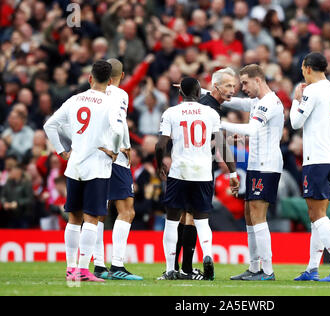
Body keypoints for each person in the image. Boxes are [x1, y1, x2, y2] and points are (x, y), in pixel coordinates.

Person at [43, 60, 124, 282]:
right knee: (92, 217)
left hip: (74, 164)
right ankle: (83, 269)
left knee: (73, 217)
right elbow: (118, 131)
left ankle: (71, 268)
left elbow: (49, 125)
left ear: (90, 78)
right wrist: (115, 151)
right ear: (110, 81)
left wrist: (61, 151)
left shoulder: (74, 99)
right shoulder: (110, 102)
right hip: (97, 166)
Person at [155, 77, 239, 280]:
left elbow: (160, 145)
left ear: (180, 94)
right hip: (202, 172)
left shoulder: (171, 112)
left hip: (179, 171)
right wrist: (233, 173)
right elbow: (221, 145)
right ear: (200, 92)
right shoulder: (210, 113)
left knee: (173, 221)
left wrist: (160, 165)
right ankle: (208, 255)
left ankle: (170, 270)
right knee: (201, 220)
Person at [289, 52, 330, 282]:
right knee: (318, 214)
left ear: (306, 68)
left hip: (316, 158)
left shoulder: (312, 91)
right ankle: (312, 268)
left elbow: (295, 122)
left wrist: (297, 98)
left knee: (317, 216)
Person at [220, 64, 284, 281]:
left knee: (257, 215)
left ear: (258, 80)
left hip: (267, 165)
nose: (242, 87)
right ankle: (254, 267)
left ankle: (267, 270)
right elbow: (236, 101)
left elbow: (251, 130)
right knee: (249, 213)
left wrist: (220, 123)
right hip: (257, 165)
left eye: (245, 83)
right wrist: (204, 92)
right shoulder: (257, 101)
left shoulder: (269, 103)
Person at [92, 58, 142, 281]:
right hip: (116, 157)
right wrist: (125, 146)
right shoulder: (120, 94)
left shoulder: (90, 93)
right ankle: (118, 266)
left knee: (98, 211)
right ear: (121, 77)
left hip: (94, 156)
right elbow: (119, 121)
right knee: (127, 210)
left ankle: (99, 265)